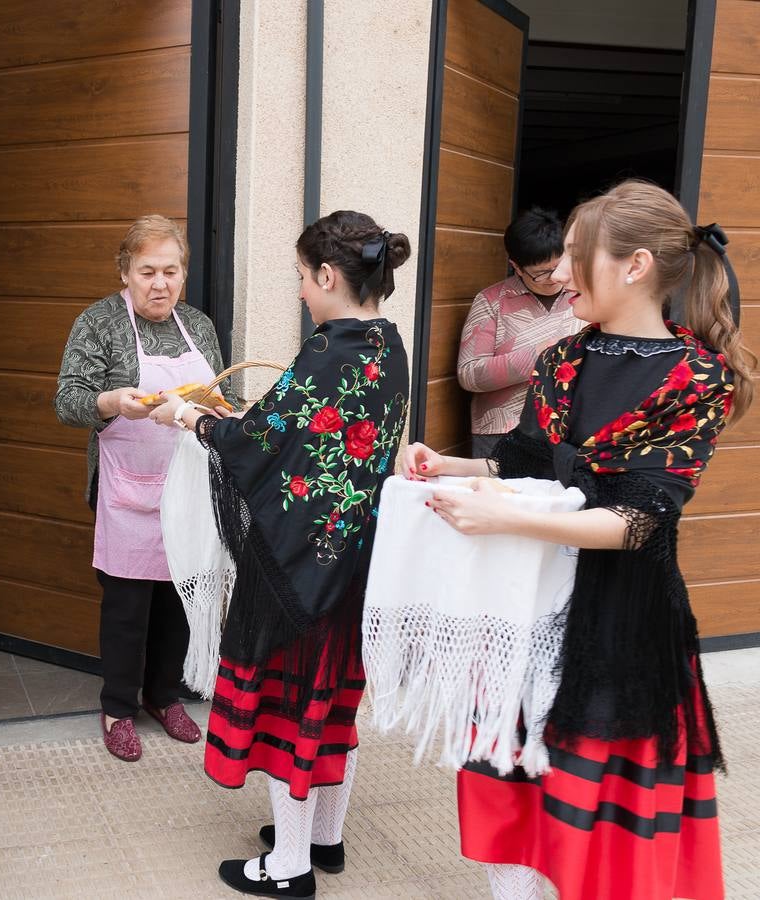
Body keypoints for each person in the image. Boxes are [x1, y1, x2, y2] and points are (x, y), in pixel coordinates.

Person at [403, 180, 755, 900]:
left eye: (573, 256)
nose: (558, 274)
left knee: (595, 817)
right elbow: (522, 465)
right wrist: (453, 466)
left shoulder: (697, 379)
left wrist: (504, 519)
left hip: (621, 621)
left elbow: (639, 521)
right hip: (523, 604)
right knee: (509, 784)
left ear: (633, 266)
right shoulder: (560, 360)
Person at [152, 210, 411, 897]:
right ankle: (323, 839)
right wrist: (242, 422)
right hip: (353, 561)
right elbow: (297, 434)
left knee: (289, 712)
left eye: (301, 276)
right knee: (331, 705)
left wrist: (188, 416)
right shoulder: (388, 345)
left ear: (328, 276)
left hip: (299, 568)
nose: (300, 290)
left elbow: (256, 443)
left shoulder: (330, 349)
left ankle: (289, 867)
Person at [55, 214, 236, 762]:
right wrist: (112, 402)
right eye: (148, 271)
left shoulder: (198, 326)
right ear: (125, 273)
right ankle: (117, 706)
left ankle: (164, 695)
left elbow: (219, 395)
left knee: (181, 597)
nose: (160, 284)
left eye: (171, 271)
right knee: (128, 606)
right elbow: (67, 401)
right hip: (126, 488)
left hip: (188, 484)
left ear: (184, 274)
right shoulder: (99, 323)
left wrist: (220, 410)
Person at [457, 207, 582, 458]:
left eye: (557, 267)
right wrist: (536, 356)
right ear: (516, 266)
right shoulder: (492, 301)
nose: (554, 278)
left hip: (570, 428)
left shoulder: (582, 294)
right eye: (541, 273)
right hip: (502, 429)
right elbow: (468, 374)